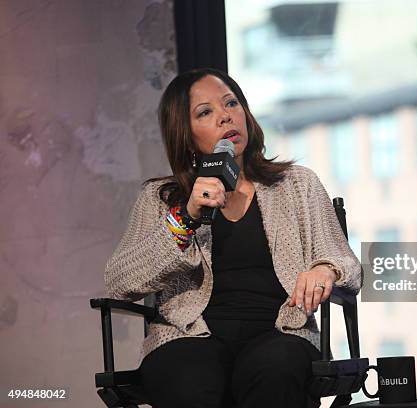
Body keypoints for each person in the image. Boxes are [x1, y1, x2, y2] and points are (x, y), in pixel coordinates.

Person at [104, 68, 361, 408]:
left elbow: (348, 266)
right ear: (185, 134)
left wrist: (325, 269)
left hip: (281, 332)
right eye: (205, 112)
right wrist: (186, 217)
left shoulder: (297, 184)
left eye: (231, 103)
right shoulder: (161, 197)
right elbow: (120, 281)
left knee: (275, 370)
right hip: (188, 336)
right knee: (190, 380)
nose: (225, 116)